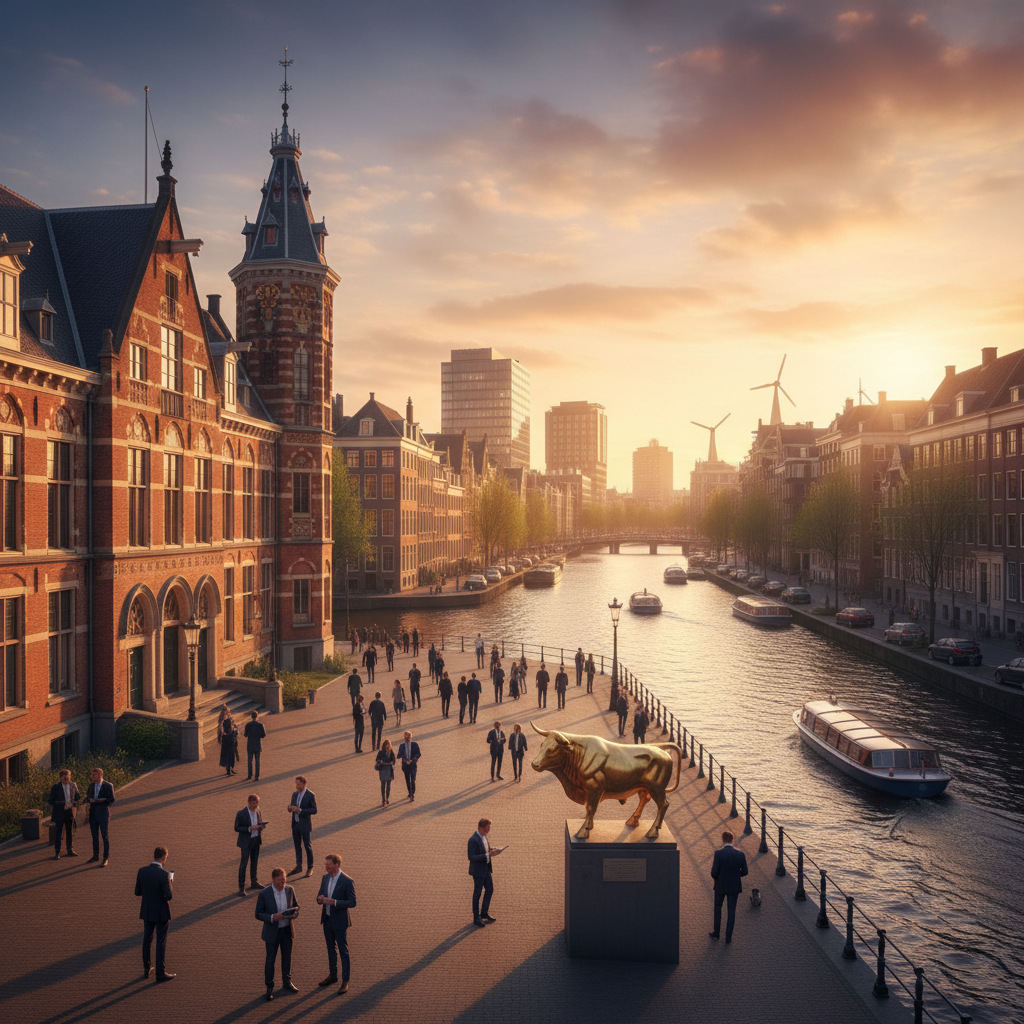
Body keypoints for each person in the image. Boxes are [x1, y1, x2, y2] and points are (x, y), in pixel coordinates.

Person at [255, 867, 299, 1001]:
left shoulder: (289, 890)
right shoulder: (264, 894)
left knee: (287, 958)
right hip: (272, 933)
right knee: (270, 961)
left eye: (284, 879)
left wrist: (294, 913)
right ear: (273, 880)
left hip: (286, 931)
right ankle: (269, 987)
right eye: (280, 880)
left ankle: (287, 982)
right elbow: (258, 914)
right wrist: (273, 917)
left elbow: (296, 907)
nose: (283, 882)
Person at [317, 853, 356, 995]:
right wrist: (320, 898)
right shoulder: (325, 878)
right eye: (326, 864)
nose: (326, 866)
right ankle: (333, 975)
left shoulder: (347, 881)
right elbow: (319, 895)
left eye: (328, 864)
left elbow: (352, 902)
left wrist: (335, 902)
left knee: (343, 951)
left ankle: (345, 981)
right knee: (330, 949)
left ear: (337, 865)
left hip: (340, 922)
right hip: (327, 920)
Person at [136, 845, 175, 981]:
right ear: (164, 858)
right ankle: (160, 972)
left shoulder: (142, 871)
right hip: (161, 913)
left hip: (147, 911)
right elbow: (169, 896)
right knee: (160, 941)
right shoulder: (165, 875)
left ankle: (147, 968)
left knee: (147, 939)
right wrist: (170, 882)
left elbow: (137, 892)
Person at [710, 831, 749, 943]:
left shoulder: (718, 854)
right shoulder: (740, 854)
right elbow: (745, 871)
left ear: (723, 839)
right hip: (734, 886)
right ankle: (728, 937)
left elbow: (713, 872)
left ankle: (716, 933)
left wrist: (719, 877)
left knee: (718, 908)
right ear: (732, 840)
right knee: (731, 911)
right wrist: (736, 875)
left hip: (720, 886)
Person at [468, 817, 503, 927]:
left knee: (490, 889)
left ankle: (484, 913)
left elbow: (485, 848)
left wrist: (493, 850)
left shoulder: (483, 837)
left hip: (486, 869)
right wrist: (487, 855)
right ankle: (476, 918)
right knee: (477, 894)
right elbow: (471, 857)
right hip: (478, 872)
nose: (489, 830)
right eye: (488, 827)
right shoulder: (473, 840)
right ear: (481, 827)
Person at [234, 794, 267, 896]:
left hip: (256, 840)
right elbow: (236, 828)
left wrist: (261, 826)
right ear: (248, 803)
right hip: (246, 842)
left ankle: (254, 882)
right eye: (254, 803)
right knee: (243, 864)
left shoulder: (258, 811)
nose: (256, 805)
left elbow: (259, 822)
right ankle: (241, 887)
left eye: (257, 803)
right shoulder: (241, 813)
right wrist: (249, 829)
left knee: (254, 862)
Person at [48, 768, 80, 859]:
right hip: (59, 813)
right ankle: (57, 853)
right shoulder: (55, 787)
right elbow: (50, 801)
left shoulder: (73, 786)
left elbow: (78, 797)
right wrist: (62, 803)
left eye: (67, 776)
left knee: (70, 832)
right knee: (58, 833)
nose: (66, 778)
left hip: (69, 812)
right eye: (63, 776)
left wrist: (75, 803)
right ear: (60, 777)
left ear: (70, 777)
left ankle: (70, 850)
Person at [288, 776, 317, 877]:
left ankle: (310, 867)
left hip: (305, 825)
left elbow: (314, 810)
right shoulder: (295, 794)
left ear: (304, 784)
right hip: (295, 825)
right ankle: (299, 865)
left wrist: (300, 810)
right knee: (297, 845)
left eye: (299, 784)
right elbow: (291, 805)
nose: (297, 786)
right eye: (296, 784)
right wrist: (290, 808)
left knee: (307, 846)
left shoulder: (310, 795)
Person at [86, 767, 115, 866]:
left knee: (104, 836)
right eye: (92, 774)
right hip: (93, 813)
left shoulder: (108, 785)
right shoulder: (91, 785)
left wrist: (101, 801)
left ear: (100, 775)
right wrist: (89, 799)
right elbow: (88, 796)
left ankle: (105, 857)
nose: (92, 776)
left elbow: (111, 800)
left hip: (103, 813)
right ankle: (95, 856)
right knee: (94, 836)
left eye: (95, 774)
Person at [398, 731, 421, 801]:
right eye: (406, 737)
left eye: (409, 737)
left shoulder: (415, 745)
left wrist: (413, 760)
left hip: (413, 765)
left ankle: (412, 793)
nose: (407, 739)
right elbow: (399, 755)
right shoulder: (402, 746)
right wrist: (404, 759)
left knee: (413, 779)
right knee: (407, 780)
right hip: (405, 766)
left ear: (411, 737)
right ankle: (410, 792)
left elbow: (419, 754)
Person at [244, 711, 267, 781]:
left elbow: (245, 735)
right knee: (257, 761)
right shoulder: (260, 725)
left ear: (251, 716)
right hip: (257, 744)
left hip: (250, 745)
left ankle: (249, 775)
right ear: (257, 716)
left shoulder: (248, 725)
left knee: (250, 761)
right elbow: (264, 735)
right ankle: (257, 776)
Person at [375, 739, 396, 806]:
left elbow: (394, 760)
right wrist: (381, 761)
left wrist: (391, 763)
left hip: (389, 769)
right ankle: (383, 799)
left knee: (388, 785)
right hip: (383, 769)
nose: (388, 746)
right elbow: (377, 759)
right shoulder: (381, 752)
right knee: (383, 785)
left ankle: (387, 797)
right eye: (387, 745)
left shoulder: (391, 752)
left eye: (389, 744)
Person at [219, 712, 239, 777]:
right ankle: (229, 770)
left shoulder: (224, 721)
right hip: (229, 740)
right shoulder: (226, 722)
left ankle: (230, 769)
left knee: (229, 755)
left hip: (227, 740)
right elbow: (231, 730)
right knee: (229, 755)